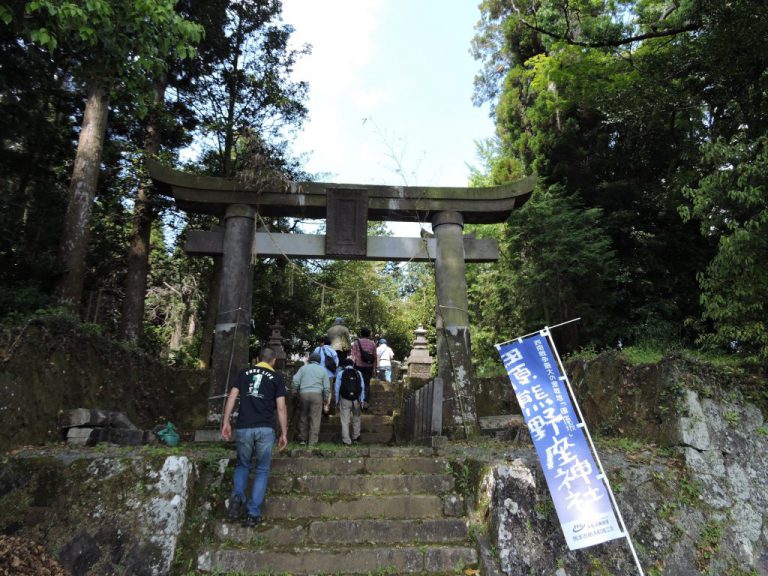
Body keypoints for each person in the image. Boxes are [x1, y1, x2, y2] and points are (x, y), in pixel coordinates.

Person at [221, 346, 287, 528]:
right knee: (262, 469)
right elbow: (281, 407)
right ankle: (252, 513)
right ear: (273, 361)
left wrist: (226, 421)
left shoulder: (244, 372)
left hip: (244, 427)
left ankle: (237, 498)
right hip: (265, 428)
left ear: (258, 359)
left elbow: (232, 395)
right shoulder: (276, 377)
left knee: (243, 464)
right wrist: (284, 432)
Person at [291, 352, 331, 445]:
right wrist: (326, 398)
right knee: (315, 418)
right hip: (317, 394)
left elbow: (295, 380)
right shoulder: (322, 370)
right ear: (319, 361)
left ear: (309, 360)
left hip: (303, 394)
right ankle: (313, 441)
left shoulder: (303, 368)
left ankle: (302, 439)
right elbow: (327, 387)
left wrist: (294, 391)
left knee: (303, 416)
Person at [335, 357, 365, 445]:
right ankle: (355, 437)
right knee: (356, 418)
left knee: (345, 420)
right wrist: (362, 400)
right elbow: (362, 387)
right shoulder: (358, 373)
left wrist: (337, 400)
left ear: (344, 365)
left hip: (344, 399)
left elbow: (337, 388)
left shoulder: (341, 373)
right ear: (353, 365)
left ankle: (346, 440)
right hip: (356, 399)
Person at [351, 326, 377, 407]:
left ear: (361, 334)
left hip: (358, 366)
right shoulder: (373, 343)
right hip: (368, 367)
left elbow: (353, 356)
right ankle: (365, 402)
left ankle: (357, 401)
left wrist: (352, 367)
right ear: (369, 334)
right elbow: (375, 357)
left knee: (357, 383)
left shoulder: (356, 343)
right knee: (366, 384)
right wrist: (374, 369)